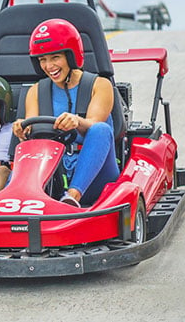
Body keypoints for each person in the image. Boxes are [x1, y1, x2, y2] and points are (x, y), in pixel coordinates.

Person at [12, 18, 120, 208]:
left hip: (96, 174)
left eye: (55, 58)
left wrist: (77, 121)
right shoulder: (35, 91)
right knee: (27, 150)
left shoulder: (100, 85)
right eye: (43, 60)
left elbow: (95, 124)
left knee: (100, 129)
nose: (49, 66)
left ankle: (72, 198)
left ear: (71, 56)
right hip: (54, 171)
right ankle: (11, 197)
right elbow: (34, 136)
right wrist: (22, 131)